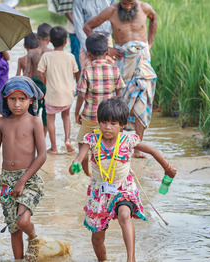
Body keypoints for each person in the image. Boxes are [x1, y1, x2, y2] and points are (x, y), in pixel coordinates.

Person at [69, 98, 176, 262]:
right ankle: (103, 260)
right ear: (98, 122)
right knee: (97, 239)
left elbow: (153, 151)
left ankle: (130, 259)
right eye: (103, 122)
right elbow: (79, 158)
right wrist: (75, 165)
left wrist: (167, 168)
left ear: (122, 125)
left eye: (113, 123)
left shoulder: (128, 141)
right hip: (99, 191)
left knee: (124, 215)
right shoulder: (91, 140)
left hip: (123, 187)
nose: (107, 127)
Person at [0, 76, 47, 260]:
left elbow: (42, 156)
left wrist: (22, 180)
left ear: (31, 100)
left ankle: (33, 238)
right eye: (12, 99)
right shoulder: (1, 123)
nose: (17, 104)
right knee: (14, 228)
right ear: (5, 99)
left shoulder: (34, 122)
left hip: (28, 179)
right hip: (7, 180)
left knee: (23, 221)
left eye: (22, 99)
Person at [84, 0, 158, 158]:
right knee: (121, 102)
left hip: (142, 60)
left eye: (131, 3)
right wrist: (108, 49)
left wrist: (150, 43)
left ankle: (137, 148)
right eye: (125, 4)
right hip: (123, 61)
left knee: (142, 100)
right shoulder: (110, 11)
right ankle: (117, 144)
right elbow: (87, 27)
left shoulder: (144, 7)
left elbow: (154, 18)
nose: (128, 7)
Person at [75, 33, 125, 176]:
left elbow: (81, 95)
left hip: (90, 116)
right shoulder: (115, 69)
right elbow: (120, 94)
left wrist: (76, 113)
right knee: (109, 145)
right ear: (107, 52)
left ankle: (87, 174)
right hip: (109, 116)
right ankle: (109, 171)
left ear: (88, 54)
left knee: (83, 143)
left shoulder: (87, 71)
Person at [37, 26, 79, 154]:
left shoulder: (46, 56)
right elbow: (76, 72)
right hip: (67, 94)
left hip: (52, 94)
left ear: (50, 40)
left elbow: (40, 74)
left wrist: (47, 83)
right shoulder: (70, 56)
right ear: (66, 41)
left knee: (51, 119)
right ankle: (67, 140)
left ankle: (54, 147)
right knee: (66, 117)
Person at [24, 23, 53, 137]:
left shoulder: (31, 53)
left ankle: (33, 136)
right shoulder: (52, 53)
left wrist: (24, 88)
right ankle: (43, 137)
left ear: (36, 37)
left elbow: (27, 72)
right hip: (47, 85)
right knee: (47, 113)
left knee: (33, 112)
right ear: (50, 38)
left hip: (33, 86)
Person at [72, 0, 116, 74]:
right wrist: (89, 50)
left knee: (110, 72)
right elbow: (79, 27)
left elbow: (115, 16)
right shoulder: (78, 1)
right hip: (87, 40)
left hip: (107, 39)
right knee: (88, 72)